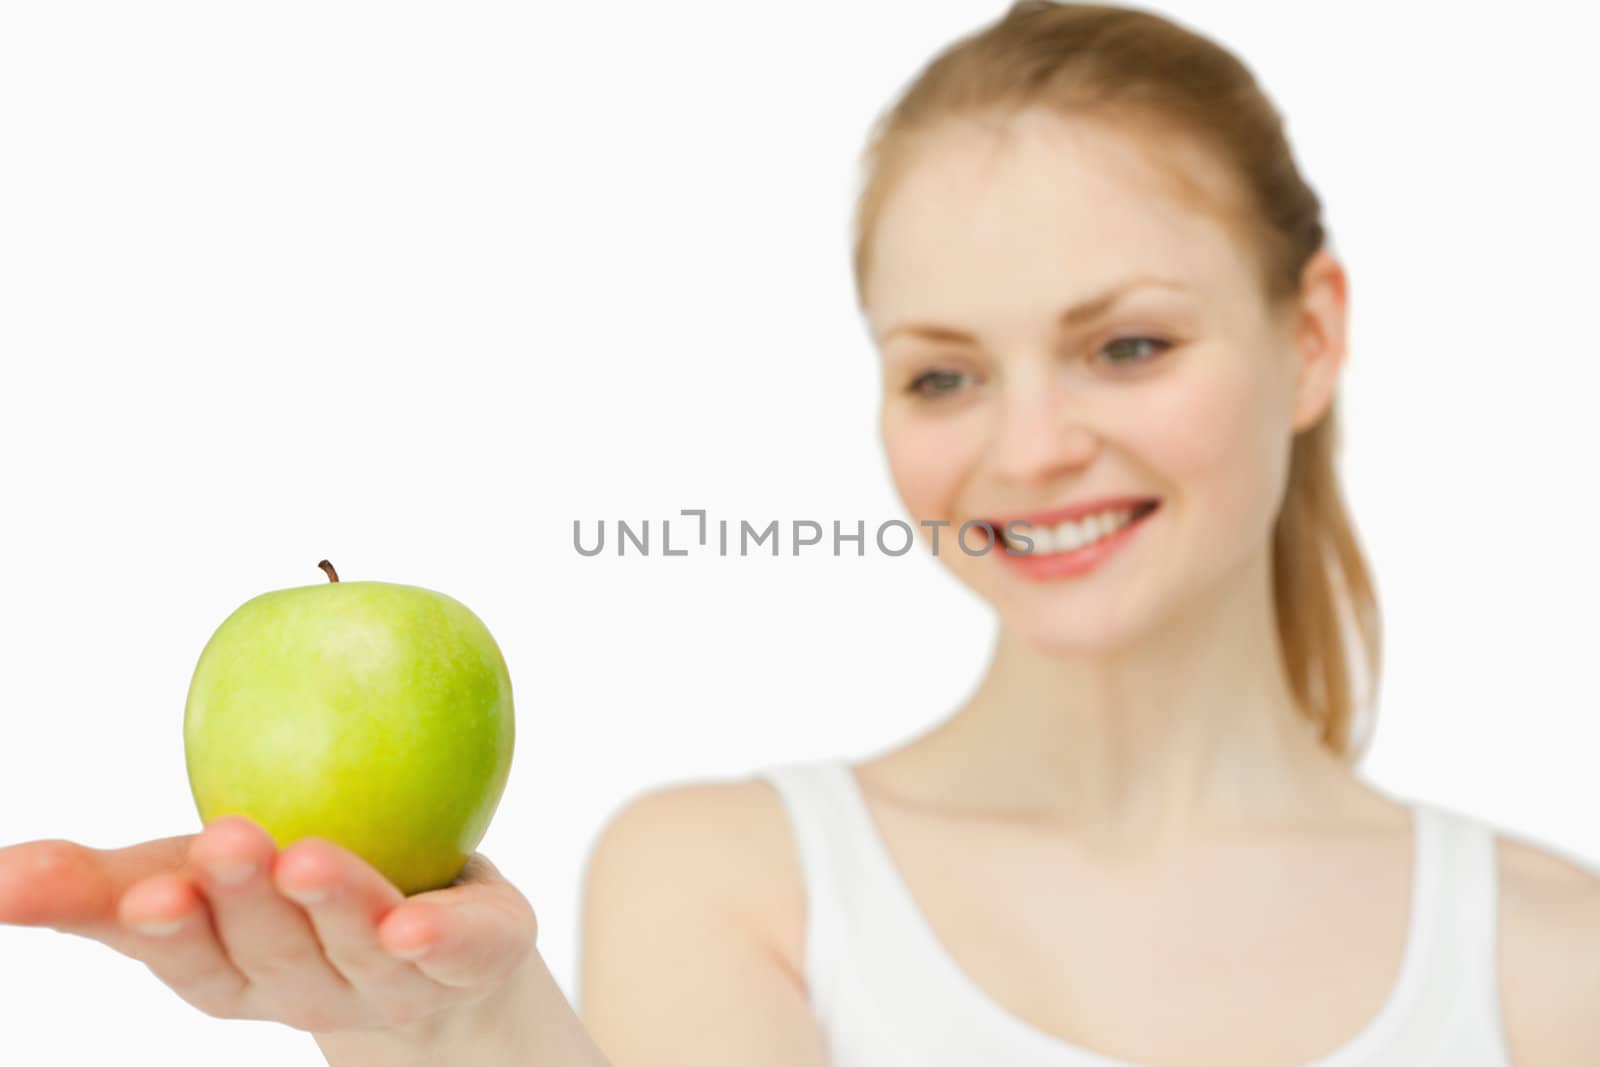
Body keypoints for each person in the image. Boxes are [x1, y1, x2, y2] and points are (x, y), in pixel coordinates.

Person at [2, 3, 1597, 1065]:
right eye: (944, 371)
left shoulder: (1557, 958)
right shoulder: (728, 883)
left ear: (1310, 333)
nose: (1029, 449)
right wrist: (453, 1037)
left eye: (1128, 345)